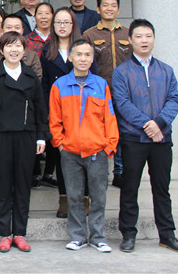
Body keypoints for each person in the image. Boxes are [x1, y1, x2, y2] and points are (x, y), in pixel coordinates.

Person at [112, 19, 178, 254]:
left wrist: (159, 124)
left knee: (162, 188)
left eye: (148, 36)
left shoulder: (166, 70)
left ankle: (167, 235)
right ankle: (128, 234)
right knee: (130, 188)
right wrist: (147, 124)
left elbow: (174, 99)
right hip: (134, 139)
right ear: (130, 40)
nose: (144, 40)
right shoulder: (121, 71)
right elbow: (122, 103)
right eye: (139, 36)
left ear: (153, 39)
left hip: (161, 139)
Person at [0, 32, 48, 253]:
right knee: (1, 185)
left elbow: (39, 108)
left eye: (18, 46)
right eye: (9, 46)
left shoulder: (30, 76)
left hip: (25, 135)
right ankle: (4, 234)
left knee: (22, 185)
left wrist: (41, 136)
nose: (14, 50)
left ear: (24, 50)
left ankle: (19, 233)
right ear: (1, 50)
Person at [50, 39, 118, 253]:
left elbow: (110, 118)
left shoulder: (101, 84)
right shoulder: (60, 85)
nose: (83, 58)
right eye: (78, 54)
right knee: (74, 195)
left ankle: (98, 237)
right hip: (70, 151)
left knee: (98, 196)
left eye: (87, 55)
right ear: (70, 57)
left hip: (97, 151)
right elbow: (54, 120)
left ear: (92, 58)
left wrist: (109, 146)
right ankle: (78, 236)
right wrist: (60, 144)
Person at [39, 8, 85, 217]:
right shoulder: (48, 50)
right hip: (58, 111)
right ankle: (64, 201)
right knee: (62, 157)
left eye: (67, 22)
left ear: (73, 24)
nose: (62, 26)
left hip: (82, 110)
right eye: (58, 22)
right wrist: (48, 112)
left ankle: (84, 200)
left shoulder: (83, 48)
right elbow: (45, 85)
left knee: (84, 157)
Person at [82, 0, 131, 186]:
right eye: (105, 5)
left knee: (122, 131)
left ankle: (120, 171)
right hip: (99, 92)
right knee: (99, 132)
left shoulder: (128, 33)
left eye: (113, 5)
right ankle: (99, 172)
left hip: (125, 92)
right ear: (98, 9)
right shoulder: (89, 34)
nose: (109, 8)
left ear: (118, 9)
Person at [0, 15, 43, 79]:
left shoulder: (32, 55)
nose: (13, 30)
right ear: (2, 30)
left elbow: (37, 78)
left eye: (17, 28)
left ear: (22, 31)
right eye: (9, 27)